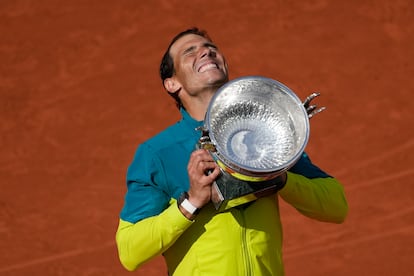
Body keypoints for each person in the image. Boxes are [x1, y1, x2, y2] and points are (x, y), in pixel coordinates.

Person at [116, 27, 348, 275]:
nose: (206, 51)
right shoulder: (159, 153)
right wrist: (191, 203)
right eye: (189, 52)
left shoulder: (262, 134)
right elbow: (130, 251)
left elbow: (336, 207)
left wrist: (278, 178)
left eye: (211, 47)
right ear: (172, 83)